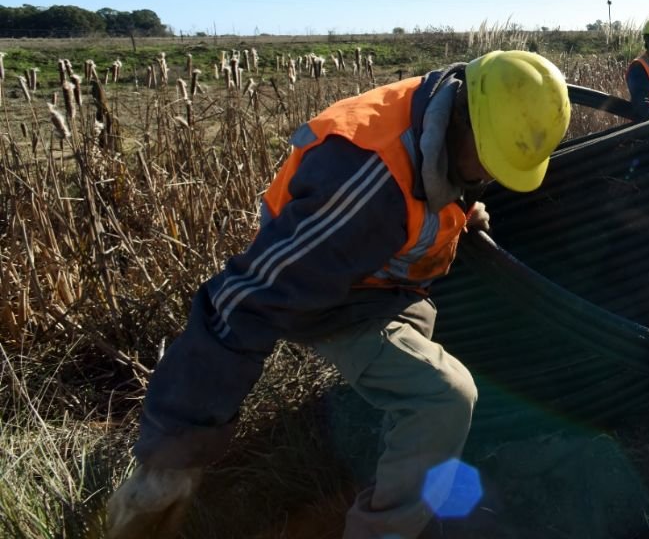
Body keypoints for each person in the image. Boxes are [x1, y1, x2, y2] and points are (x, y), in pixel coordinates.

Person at [106, 50, 571, 539]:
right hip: (336, 293)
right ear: (462, 120)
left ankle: (405, 459)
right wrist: (175, 454)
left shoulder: (451, 107)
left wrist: (460, 212)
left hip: (379, 276)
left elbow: (439, 182)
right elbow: (247, 301)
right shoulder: (365, 186)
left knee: (436, 357)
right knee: (445, 397)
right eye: (489, 162)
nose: (491, 177)